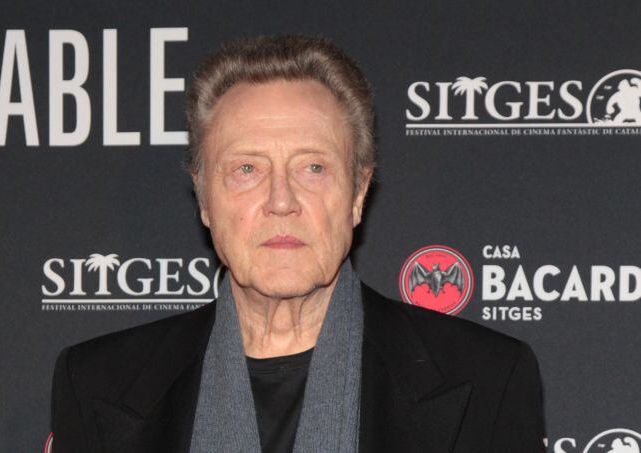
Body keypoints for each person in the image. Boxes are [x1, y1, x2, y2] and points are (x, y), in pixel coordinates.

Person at [50, 35, 545, 453]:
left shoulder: (488, 380)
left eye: (313, 168)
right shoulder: (96, 384)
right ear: (204, 199)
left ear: (357, 194)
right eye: (247, 169)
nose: (281, 201)